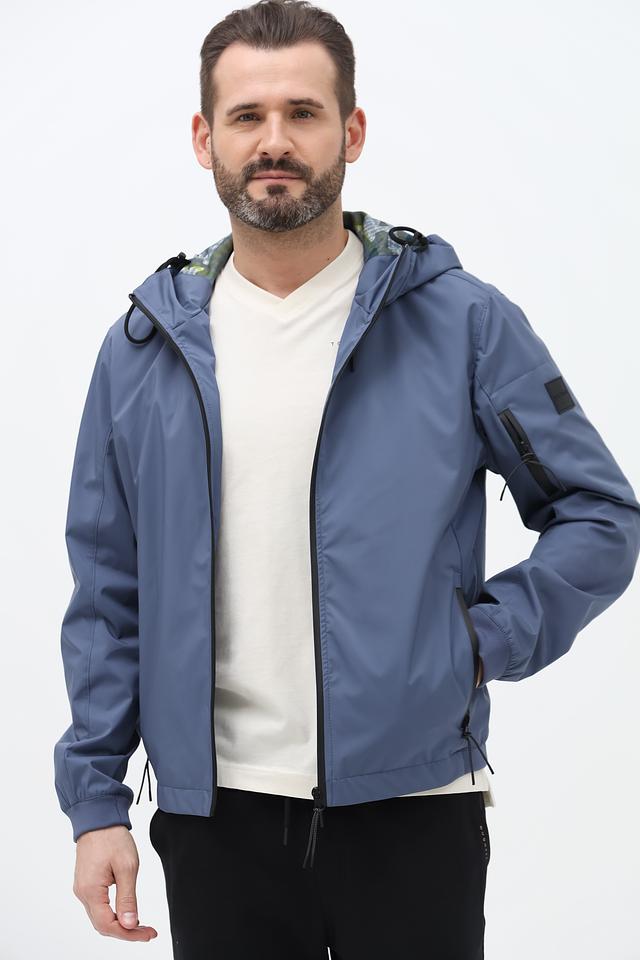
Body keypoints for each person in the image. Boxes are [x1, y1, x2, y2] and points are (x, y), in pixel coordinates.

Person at [53, 1, 640, 957]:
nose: (274, 141)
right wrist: (95, 804)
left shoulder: (460, 323)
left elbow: (599, 512)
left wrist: (478, 641)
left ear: (351, 131)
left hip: (415, 806)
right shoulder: (144, 351)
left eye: (303, 112)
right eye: (246, 116)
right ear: (204, 139)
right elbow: (108, 596)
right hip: (215, 820)